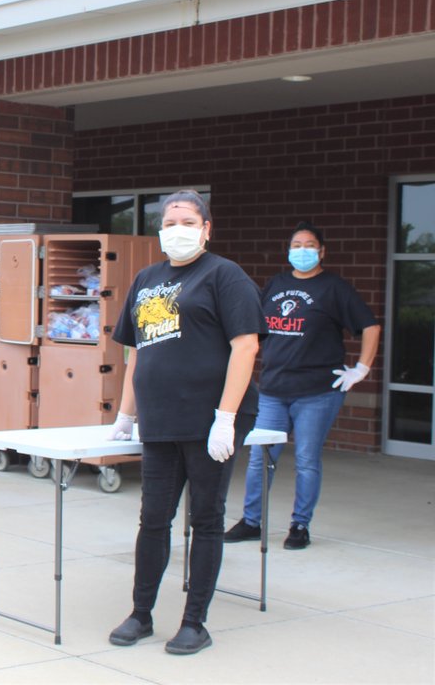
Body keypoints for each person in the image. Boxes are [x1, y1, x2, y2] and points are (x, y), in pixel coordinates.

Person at [105, 190, 264, 655]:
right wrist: (125, 413)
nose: (178, 229)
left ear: (206, 228)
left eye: (188, 221)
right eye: (170, 221)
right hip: (160, 420)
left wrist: (226, 418)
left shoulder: (224, 275)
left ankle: (195, 622)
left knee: (206, 519)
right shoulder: (147, 278)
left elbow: (246, 347)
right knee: (153, 519)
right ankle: (141, 614)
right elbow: (137, 351)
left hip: (209, 420)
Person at [225, 222, 380, 550]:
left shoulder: (334, 288)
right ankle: (252, 521)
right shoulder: (276, 284)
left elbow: (370, 325)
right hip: (272, 389)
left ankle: (299, 525)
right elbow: (256, 327)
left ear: (322, 251)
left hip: (317, 392)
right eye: (297, 244)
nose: (303, 250)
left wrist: (361, 369)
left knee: (307, 459)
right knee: (259, 458)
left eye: (310, 245)